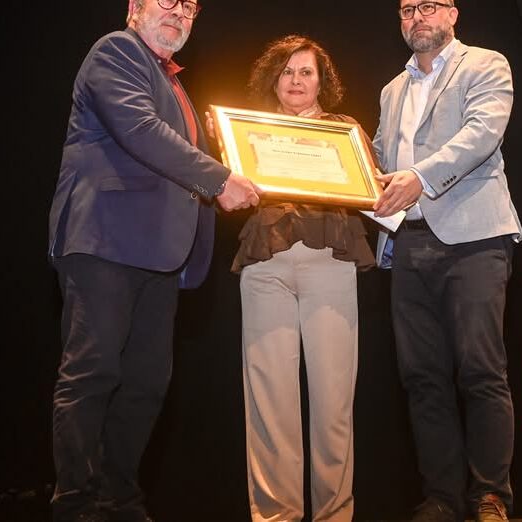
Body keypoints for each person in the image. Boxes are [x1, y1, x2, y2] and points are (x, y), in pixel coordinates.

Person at [47, 0, 260, 519]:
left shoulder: (175, 84)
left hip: (160, 254)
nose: (180, 12)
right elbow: (140, 129)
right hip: (105, 241)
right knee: (93, 373)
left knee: (146, 383)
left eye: (190, 6)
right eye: (167, 1)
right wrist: (219, 179)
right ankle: (75, 503)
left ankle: (118, 497)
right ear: (134, 7)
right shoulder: (115, 51)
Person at [371, 2, 522, 520]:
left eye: (428, 5)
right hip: (408, 243)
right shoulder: (392, 90)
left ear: (453, 13)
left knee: (482, 371)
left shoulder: (485, 64)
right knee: (421, 377)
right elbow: (376, 158)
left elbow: (482, 134)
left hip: (474, 238)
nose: (416, 17)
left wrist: (418, 177)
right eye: (406, 9)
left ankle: (489, 495)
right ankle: (441, 496)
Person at [229, 35, 375, 522]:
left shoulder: (343, 129)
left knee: (334, 403)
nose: (296, 80)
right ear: (273, 78)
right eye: (287, 71)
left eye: (306, 71)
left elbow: (372, 190)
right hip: (265, 267)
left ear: (322, 80)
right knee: (271, 406)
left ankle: (335, 515)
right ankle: (276, 517)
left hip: (329, 265)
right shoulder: (248, 130)